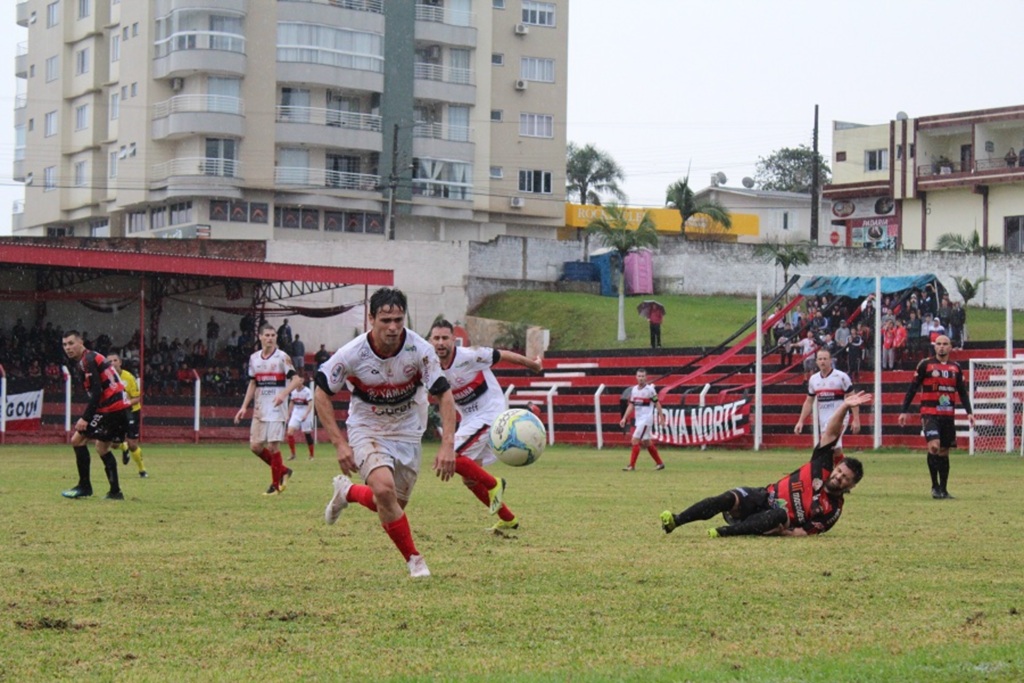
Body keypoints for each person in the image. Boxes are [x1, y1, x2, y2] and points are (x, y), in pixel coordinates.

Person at [314, 288, 457, 579]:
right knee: (383, 490)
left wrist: (448, 445)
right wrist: (340, 443)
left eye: (398, 320)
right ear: (371, 319)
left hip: (408, 432)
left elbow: (444, 396)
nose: (393, 327)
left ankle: (348, 492)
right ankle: (415, 561)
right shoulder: (352, 354)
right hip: (368, 428)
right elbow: (320, 392)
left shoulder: (420, 351)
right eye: (385, 320)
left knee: (391, 504)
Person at [660, 391, 870, 538]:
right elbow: (831, 433)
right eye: (840, 471)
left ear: (851, 486)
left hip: (772, 520)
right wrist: (844, 406)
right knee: (728, 498)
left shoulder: (833, 510)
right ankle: (676, 521)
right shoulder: (821, 464)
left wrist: (783, 533)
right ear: (835, 467)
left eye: (845, 479)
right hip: (762, 497)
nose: (839, 477)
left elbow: (805, 532)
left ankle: (725, 533)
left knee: (780, 514)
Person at [429, 319, 543, 534]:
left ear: (454, 339)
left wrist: (533, 365)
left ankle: (493, 484)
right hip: (470, 420)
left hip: (491, 413)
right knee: (469, 480)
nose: (441, 342)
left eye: (445, 338)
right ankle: (508, 518)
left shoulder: (471, 355)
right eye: (436, 338)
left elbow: (503, 355)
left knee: (451, 455)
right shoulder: (431, 365)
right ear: (430, 341)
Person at [898, 335, 975, 499]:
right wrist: (904, 411)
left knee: (944, 452)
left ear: (950, 347)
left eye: (945, 344)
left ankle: (943, 489)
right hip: (929, 413)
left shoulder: (956, 368)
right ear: (935, 347)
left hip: (947, 415)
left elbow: (962, 392)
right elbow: (913, 388)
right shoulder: (925, 365)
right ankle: (934, 486)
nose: (941, 347)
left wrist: (969, 412)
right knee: (934, 446)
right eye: (938, 344)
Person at [234, 323, 304, 495]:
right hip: (260, 409)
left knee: (273, 447)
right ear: (260, 337)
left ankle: (275, 485)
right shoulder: (254, 359)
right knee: (255, 447)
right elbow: (253, 383)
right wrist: (244, 407)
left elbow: (296, 380)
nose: (270, 338)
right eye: (267, 335)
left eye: (273, 335)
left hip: (276, 409)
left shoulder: (282, 357)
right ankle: (284, 471)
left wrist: (283, 394)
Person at [60, 330, 131, 500]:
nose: (68, 348)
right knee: (102, 447)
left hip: (110, 408)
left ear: (81, 342)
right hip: (119, 408)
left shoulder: (87, 360)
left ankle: (84, 486)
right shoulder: (91, 358)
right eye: (64, 345)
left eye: (71, 343)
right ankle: (115, 492)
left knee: (77, 440)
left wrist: (86, 417)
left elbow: (97, 391)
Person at [794, 348, 860, 456]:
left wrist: (856, 419)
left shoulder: (841, 377)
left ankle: (824, 471)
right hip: (823, 419)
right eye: (820, 359)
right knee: (835, 449)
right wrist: (800, 421)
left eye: (825, 359)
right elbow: (809, 401)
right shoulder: (813, 379)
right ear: (816, 361)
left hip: (840, 418)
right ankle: (842, 470)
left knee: (828, 446)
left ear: (830, 360)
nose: (822, 361)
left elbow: (852, 398)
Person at [108, 353, 148, 478]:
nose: (112, 363)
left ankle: (142, 470)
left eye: (115, 360)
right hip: (116, 413)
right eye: (109, 361)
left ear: (120, 362)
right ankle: (122, 446)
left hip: (131, 412)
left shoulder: (128, 377)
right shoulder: (106, 378)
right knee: (113, 444)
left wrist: (125, 404)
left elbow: (137, 398)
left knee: (133, 444)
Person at [619, 369, 666, 471]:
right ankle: (660, 463)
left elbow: (657, 403)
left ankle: (631, 466)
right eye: (639, 376)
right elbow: (631, 405)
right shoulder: (634, 390)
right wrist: (624, 418)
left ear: (646, 377)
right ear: (636, 377)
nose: (641, 378)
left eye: (643, 376)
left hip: (646, 420)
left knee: (635, 440)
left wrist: (661, 417)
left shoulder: (650, 390)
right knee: (646, 442)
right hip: (639, 420)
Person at [286, 377, 316, 461]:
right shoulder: (293, 391)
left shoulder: (307, 391)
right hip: (296, 412)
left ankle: (311, 455)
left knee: (307, 434)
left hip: (305, 411)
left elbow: (310, 404)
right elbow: (291, 402)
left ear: (302, 380)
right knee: (289, 432)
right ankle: (293, 454)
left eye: (299, 380)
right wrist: (288, 414)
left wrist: (306, 415)